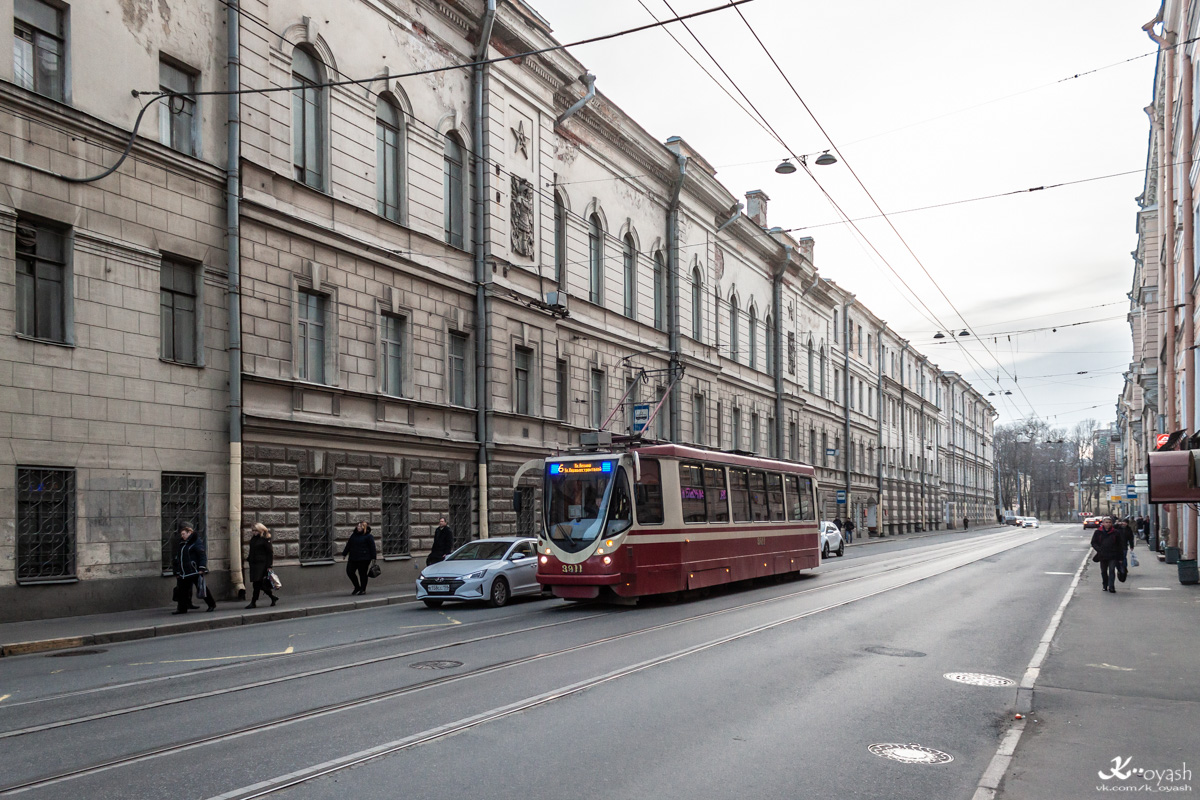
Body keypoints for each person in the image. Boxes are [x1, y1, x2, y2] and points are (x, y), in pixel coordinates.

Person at [172, 523, 215, 614]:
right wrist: (176, 571)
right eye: (181, 534)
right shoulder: (182, 544)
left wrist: (201, 568)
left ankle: (211, 604)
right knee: (182, 591)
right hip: (184, 572)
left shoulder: (196, 542)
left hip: (194, 571)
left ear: (189, 533)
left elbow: (202, 555)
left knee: (201, 588)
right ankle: (182, 609)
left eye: (183, 534)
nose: (182, 536)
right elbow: (178, 558)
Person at [246, 522, 278, 609]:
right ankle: (273, 597)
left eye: (256, 530)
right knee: (259, 584)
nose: (254, 532)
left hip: (262, 565)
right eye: (253, 530)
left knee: (256, 584)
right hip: (254, 564)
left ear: (260, 530)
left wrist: (269, 566)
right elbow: (252, 550)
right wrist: (249, 558)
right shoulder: (254, 538)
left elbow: (269, 553)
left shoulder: (265, 539)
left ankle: (253, 602)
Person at [342, 521, 378, 596]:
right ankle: (357, 587)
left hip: (364, 558)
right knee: (349, 571)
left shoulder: (368, 536)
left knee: (362, 574)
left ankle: (363, 589)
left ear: (364, 528)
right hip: (353, 557)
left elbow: (372, 548)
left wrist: (373, 558)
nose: (358, 527)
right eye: (358, 526)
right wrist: (344, 554)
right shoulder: (354, 535)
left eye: (360, 526)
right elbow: (349, 545)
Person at [1090, 516, 1125, 593]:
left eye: (1109, 522)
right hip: (1102, 555)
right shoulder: (1098, 532)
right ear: (1103, 523)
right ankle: (1105, 585)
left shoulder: (1116, 533)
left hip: (1113, 555)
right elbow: (1093, 542)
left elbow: (1120, 545)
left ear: (1111, 524)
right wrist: (1099, 550)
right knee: (1104, 571)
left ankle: (1111, 586)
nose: (1108, 524)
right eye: (1106, 522)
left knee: (1112, 570)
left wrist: (1121, 558)